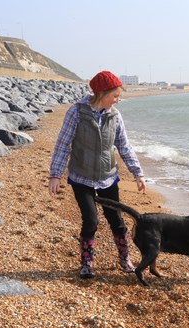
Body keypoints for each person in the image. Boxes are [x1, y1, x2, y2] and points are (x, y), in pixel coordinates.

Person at [48, 70, 146, 279]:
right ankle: (86, 263)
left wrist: (138, 173)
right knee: (91, 220)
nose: (117, 100)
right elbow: (63, 145)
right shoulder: (76, 112)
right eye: (115, 96)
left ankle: (124, 259)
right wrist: (55, 175)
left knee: (116, 220)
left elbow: (124, 146)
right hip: (81, 177)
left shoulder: (115, 116)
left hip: (108, 177)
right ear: (102, 93)